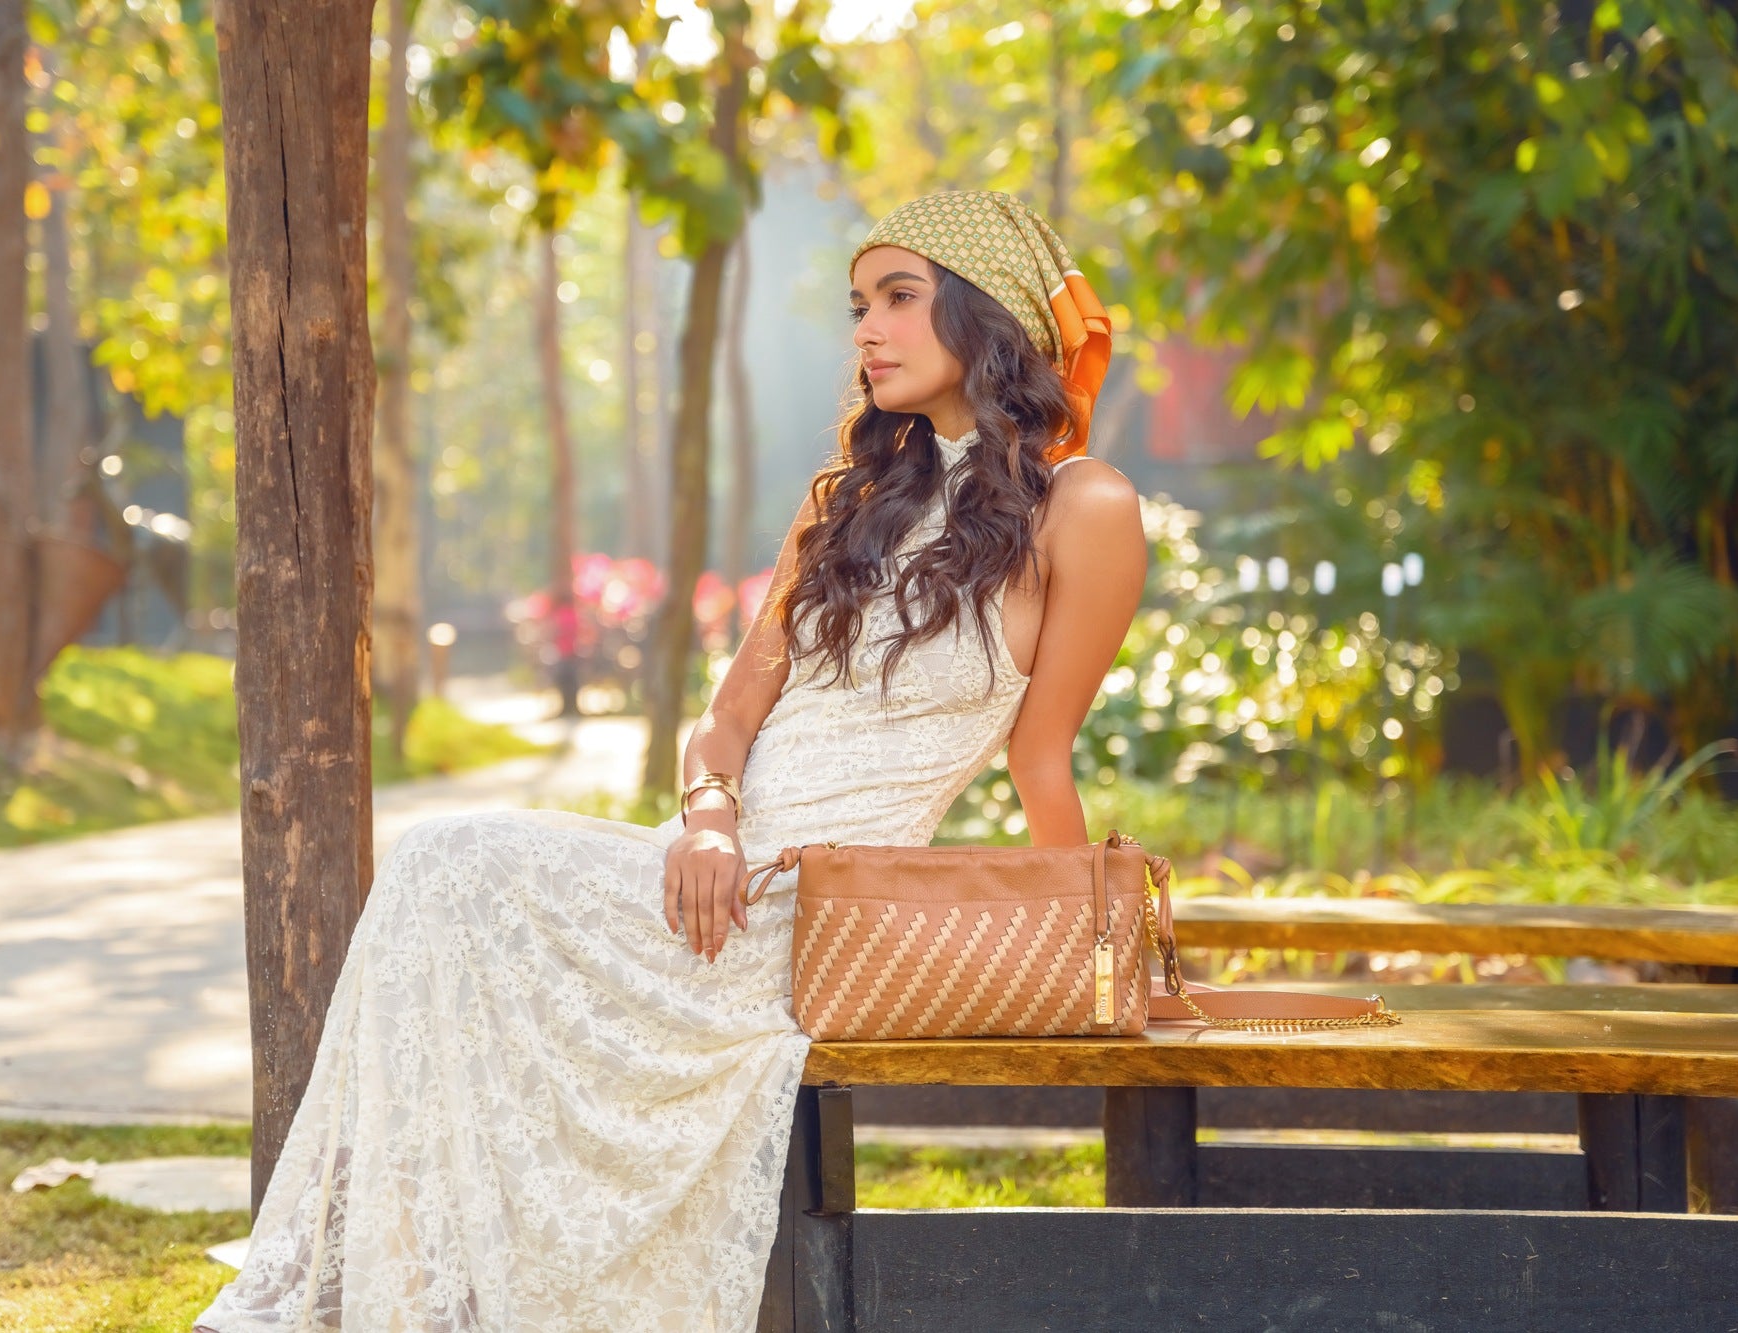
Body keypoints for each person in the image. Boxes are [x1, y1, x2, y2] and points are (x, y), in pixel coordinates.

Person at [193, 189, 1148, 1333]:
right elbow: (731, 709)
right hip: (706, 868)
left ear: (984, 312)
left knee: (446, 863)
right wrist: (705, 815)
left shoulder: (1081, 507)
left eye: (900, 296)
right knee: (441, 867)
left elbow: (1041, 759)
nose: (866, 329)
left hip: (825, 910)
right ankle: (403, 1290)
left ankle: (414, 1298)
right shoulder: (845, 506)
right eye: (858, 305)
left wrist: (1077, 955)